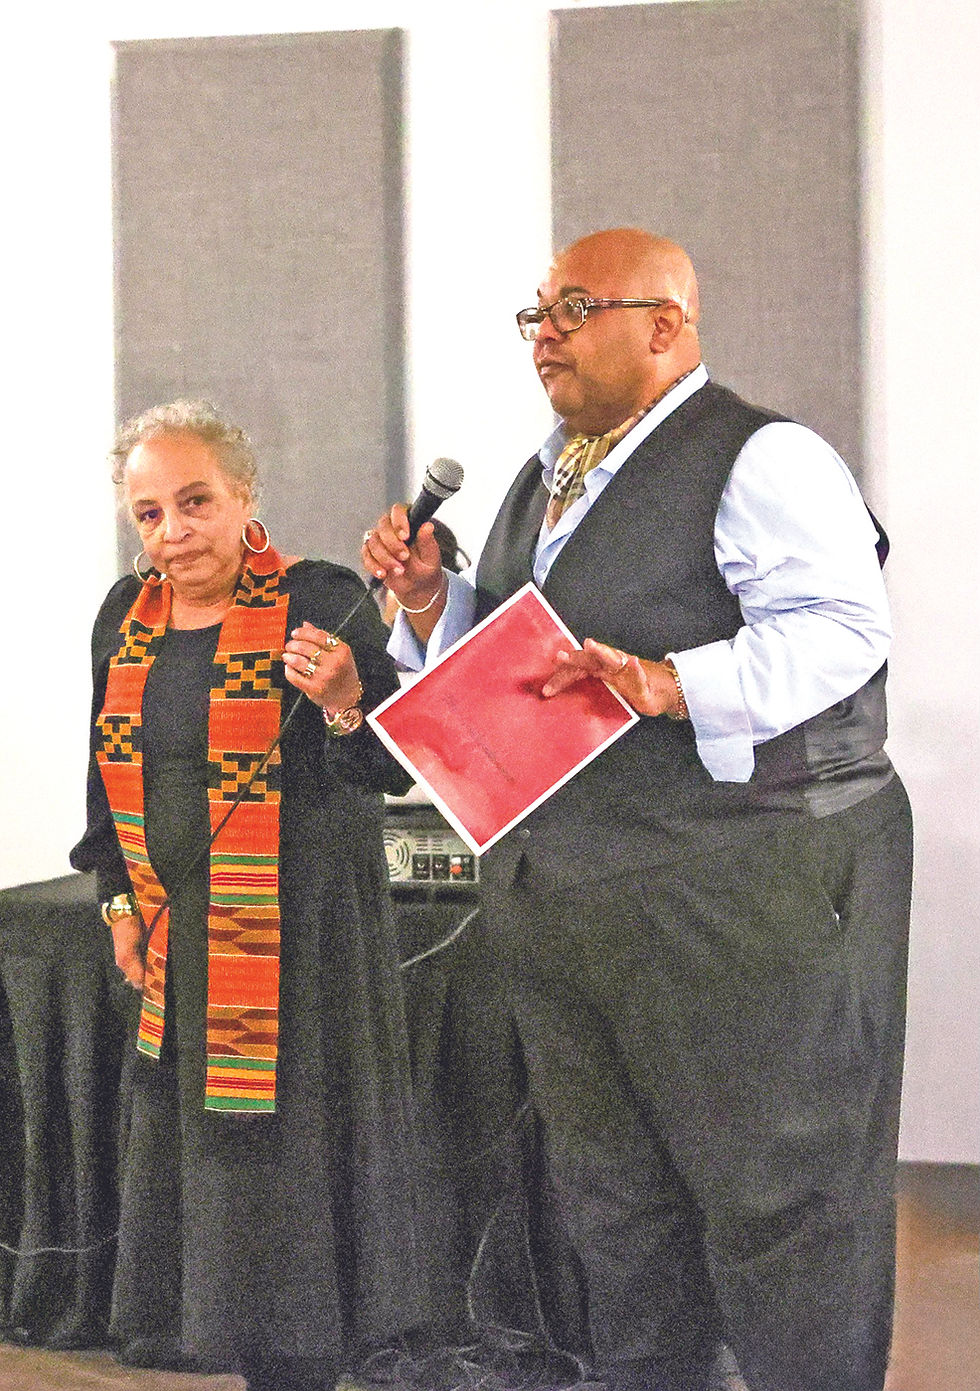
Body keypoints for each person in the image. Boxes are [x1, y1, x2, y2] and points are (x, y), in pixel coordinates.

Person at [362, 229, 913, 1391]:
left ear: (665, 324)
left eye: (573, 308)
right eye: (536, 314)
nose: (543, 335)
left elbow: (843, 627)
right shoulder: (546, 475)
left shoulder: (760, 457)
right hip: (570, 902)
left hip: (735, 892)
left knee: (778, 1201)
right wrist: (430, 601)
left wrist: (671, 683)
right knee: (616, 1205)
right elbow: (526, 664)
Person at [71, 401, 423, 1391]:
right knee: (214, 1179)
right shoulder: (124, 615)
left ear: (244, 495)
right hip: (179, 940)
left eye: (195, 502)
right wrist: (118, 902)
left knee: (292, 1172)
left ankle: (302, 1368)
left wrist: (344, 700)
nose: (173, 531)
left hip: (301, 941)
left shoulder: (322, 597)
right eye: (149, 513)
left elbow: (393, 762)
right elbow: (105, 779)